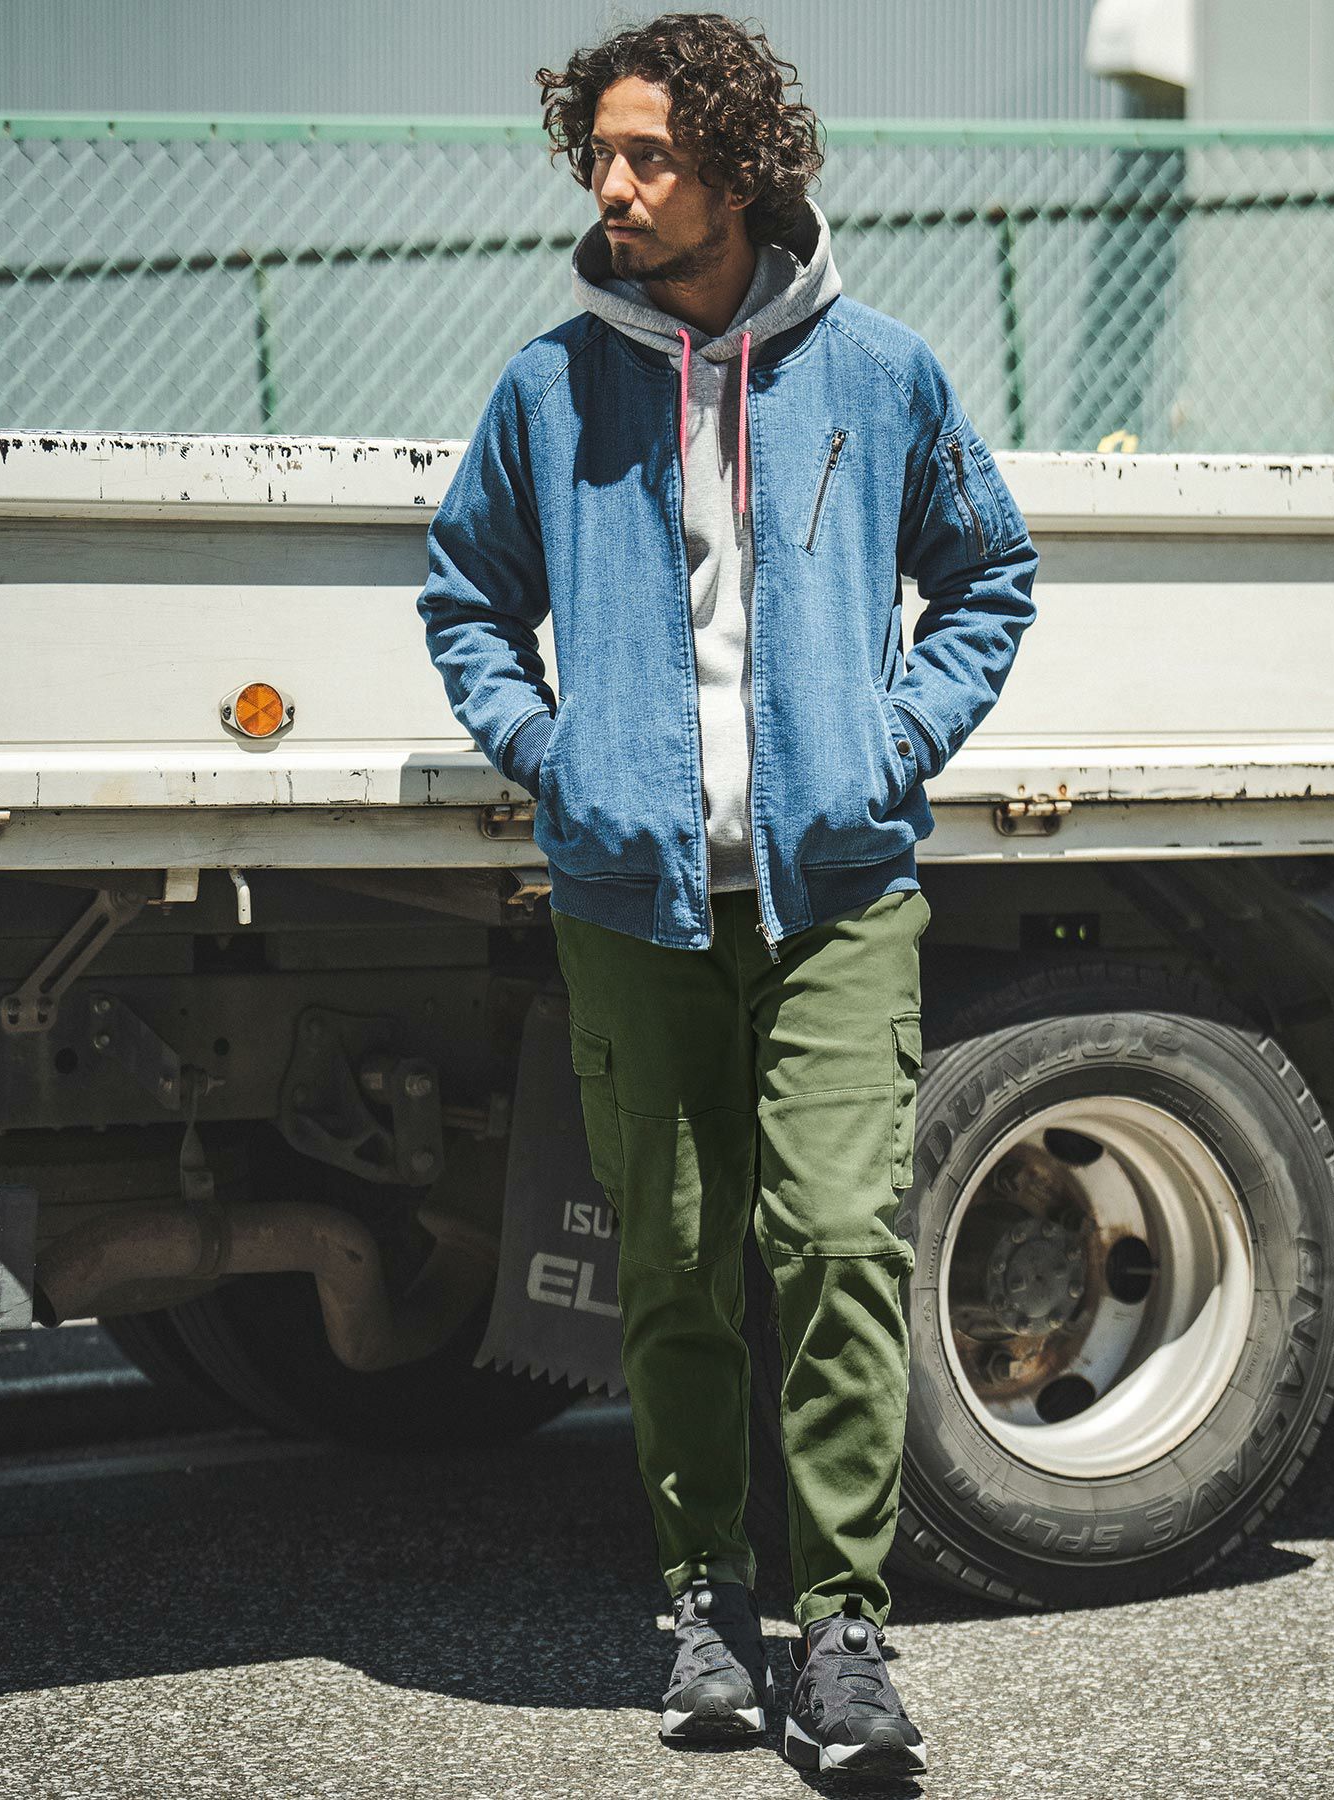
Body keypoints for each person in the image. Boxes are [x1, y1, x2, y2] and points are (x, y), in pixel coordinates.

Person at [418, 12, 1039, 1779]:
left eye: (650, 158)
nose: (612, 188)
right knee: (677, 1264)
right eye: (598, 156)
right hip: (635, 902)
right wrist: (557, 757)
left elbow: (989, 573)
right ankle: (703, 1598)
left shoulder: (883, 373)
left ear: (740, 173)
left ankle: (841, 1629)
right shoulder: (549, 389)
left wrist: (887, 746)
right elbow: (467, 597)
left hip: (837, 892)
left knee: (837, 1242)